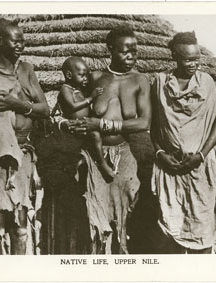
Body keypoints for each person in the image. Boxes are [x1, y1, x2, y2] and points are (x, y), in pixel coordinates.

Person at [65, 26, 151, 254]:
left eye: (135, 51)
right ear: (111, 49)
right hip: (96, 156)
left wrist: (101, 124)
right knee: (97, 218)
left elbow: (144, 122)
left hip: (125, 154)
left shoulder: (140, 80)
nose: (131, 56)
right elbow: (68, 107)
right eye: (126, 51)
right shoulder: (94, 79)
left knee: (125, 214)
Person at [0, 18, 49, 254]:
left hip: (23, 153)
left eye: (22, 40)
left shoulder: (26, 70)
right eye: (15, 41)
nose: (20, 45)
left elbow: (45, 109)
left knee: (20, 217)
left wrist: (14, 103)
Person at [150, 31, 216, 254]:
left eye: (196, 59)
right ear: (174, 55)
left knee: (202, 230)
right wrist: (161, 153)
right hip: (170, 168)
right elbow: (155, 127)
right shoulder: (161, 84)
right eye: (187, 59)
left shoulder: (207, 83)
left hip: (201, 167)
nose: (193, 64)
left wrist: (200, 156)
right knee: (171, 230)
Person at [58, 57, 113, 180]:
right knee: (95, 135)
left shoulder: (79, 89)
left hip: (83, 123)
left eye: (87, 76)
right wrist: (90, 98)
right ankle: (102, 163)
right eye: (82, 75)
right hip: (73, 125)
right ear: (69, 75)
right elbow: (72, 106)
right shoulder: (65, 89)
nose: (85, 79)